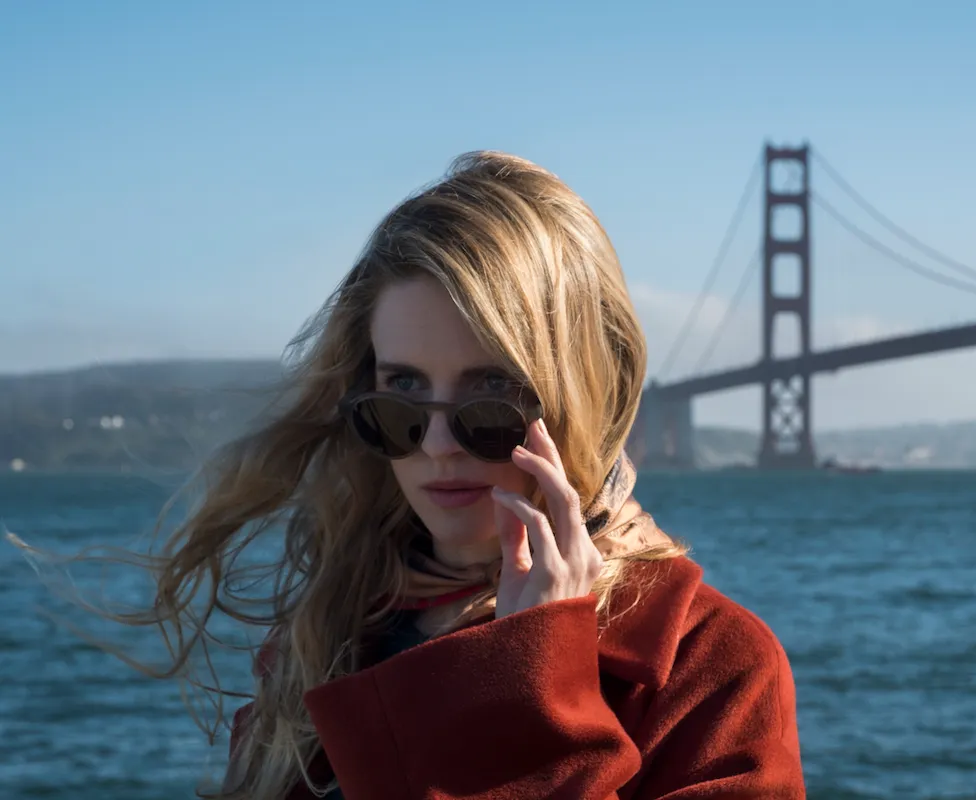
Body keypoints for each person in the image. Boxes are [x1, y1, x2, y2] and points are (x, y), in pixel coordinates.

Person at [29, 151, 807, 799]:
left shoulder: (713, 669)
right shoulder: (323, 636)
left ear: (591, 387)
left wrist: (537, 693)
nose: (437, 443)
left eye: (491, 397)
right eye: (402, 395)